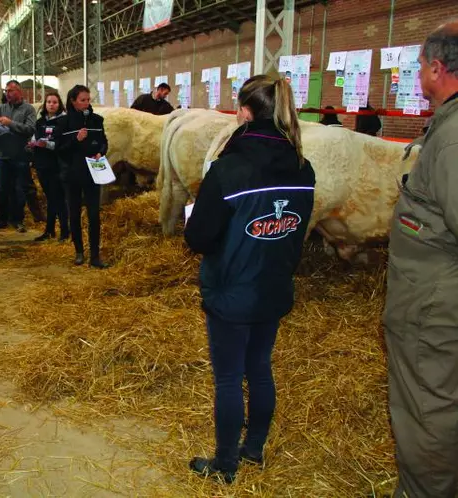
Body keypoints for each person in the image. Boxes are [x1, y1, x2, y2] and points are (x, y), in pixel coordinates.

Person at [184, 75, 315, 483]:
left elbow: (199, 237)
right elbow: (298, 228)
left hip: (231, 290)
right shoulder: (302, 166)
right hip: (273, 286)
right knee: (259, 367)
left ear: (244, 112)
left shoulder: (228, 168)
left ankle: (225, 465)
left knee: (227, 377)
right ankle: (254, 448)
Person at [383, 21, 458, 498]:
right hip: (433, 296)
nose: (417, 77)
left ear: (436, 67)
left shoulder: (453, 138)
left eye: (418, 68)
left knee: (427, 408)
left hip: (434, 307)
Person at [58, 85, 109, 268]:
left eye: (88, 100)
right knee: (74, 213)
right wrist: (75, 140)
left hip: (92, 174)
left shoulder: (97, 120)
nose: (87, 103)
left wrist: (101, 152)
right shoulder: (63, 123)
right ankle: (79, 251)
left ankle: (95, 255)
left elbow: (104, 142)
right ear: (73, 101)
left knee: (94, 214)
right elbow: (59, 149)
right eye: (83, 100)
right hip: (71, 175)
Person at [0, 80, 36, 232]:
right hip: (3, 156)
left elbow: (30, 129)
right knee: (3, 189)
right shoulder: (2, 108)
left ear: (19, 91)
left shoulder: (28, 109)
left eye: (11, 91)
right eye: (6, 91)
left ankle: (17, 220)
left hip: (20, 156)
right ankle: (2, 219)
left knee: (19, 190)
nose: (7, 94)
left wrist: (10, 123)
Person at [31, 91, 69, 242]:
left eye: (54, 102)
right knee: (50, 198)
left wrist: (47, 144)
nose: (51, 105)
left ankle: (65, 231)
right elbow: (35, 136)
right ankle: (50, 230)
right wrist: (32, 144)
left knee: (58, 199)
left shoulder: (64, 122)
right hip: (42, 165)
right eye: (49, 102)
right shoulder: (40, 122)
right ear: (45, 104)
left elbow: (63, 144)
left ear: (59, 104)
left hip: (57, 165)